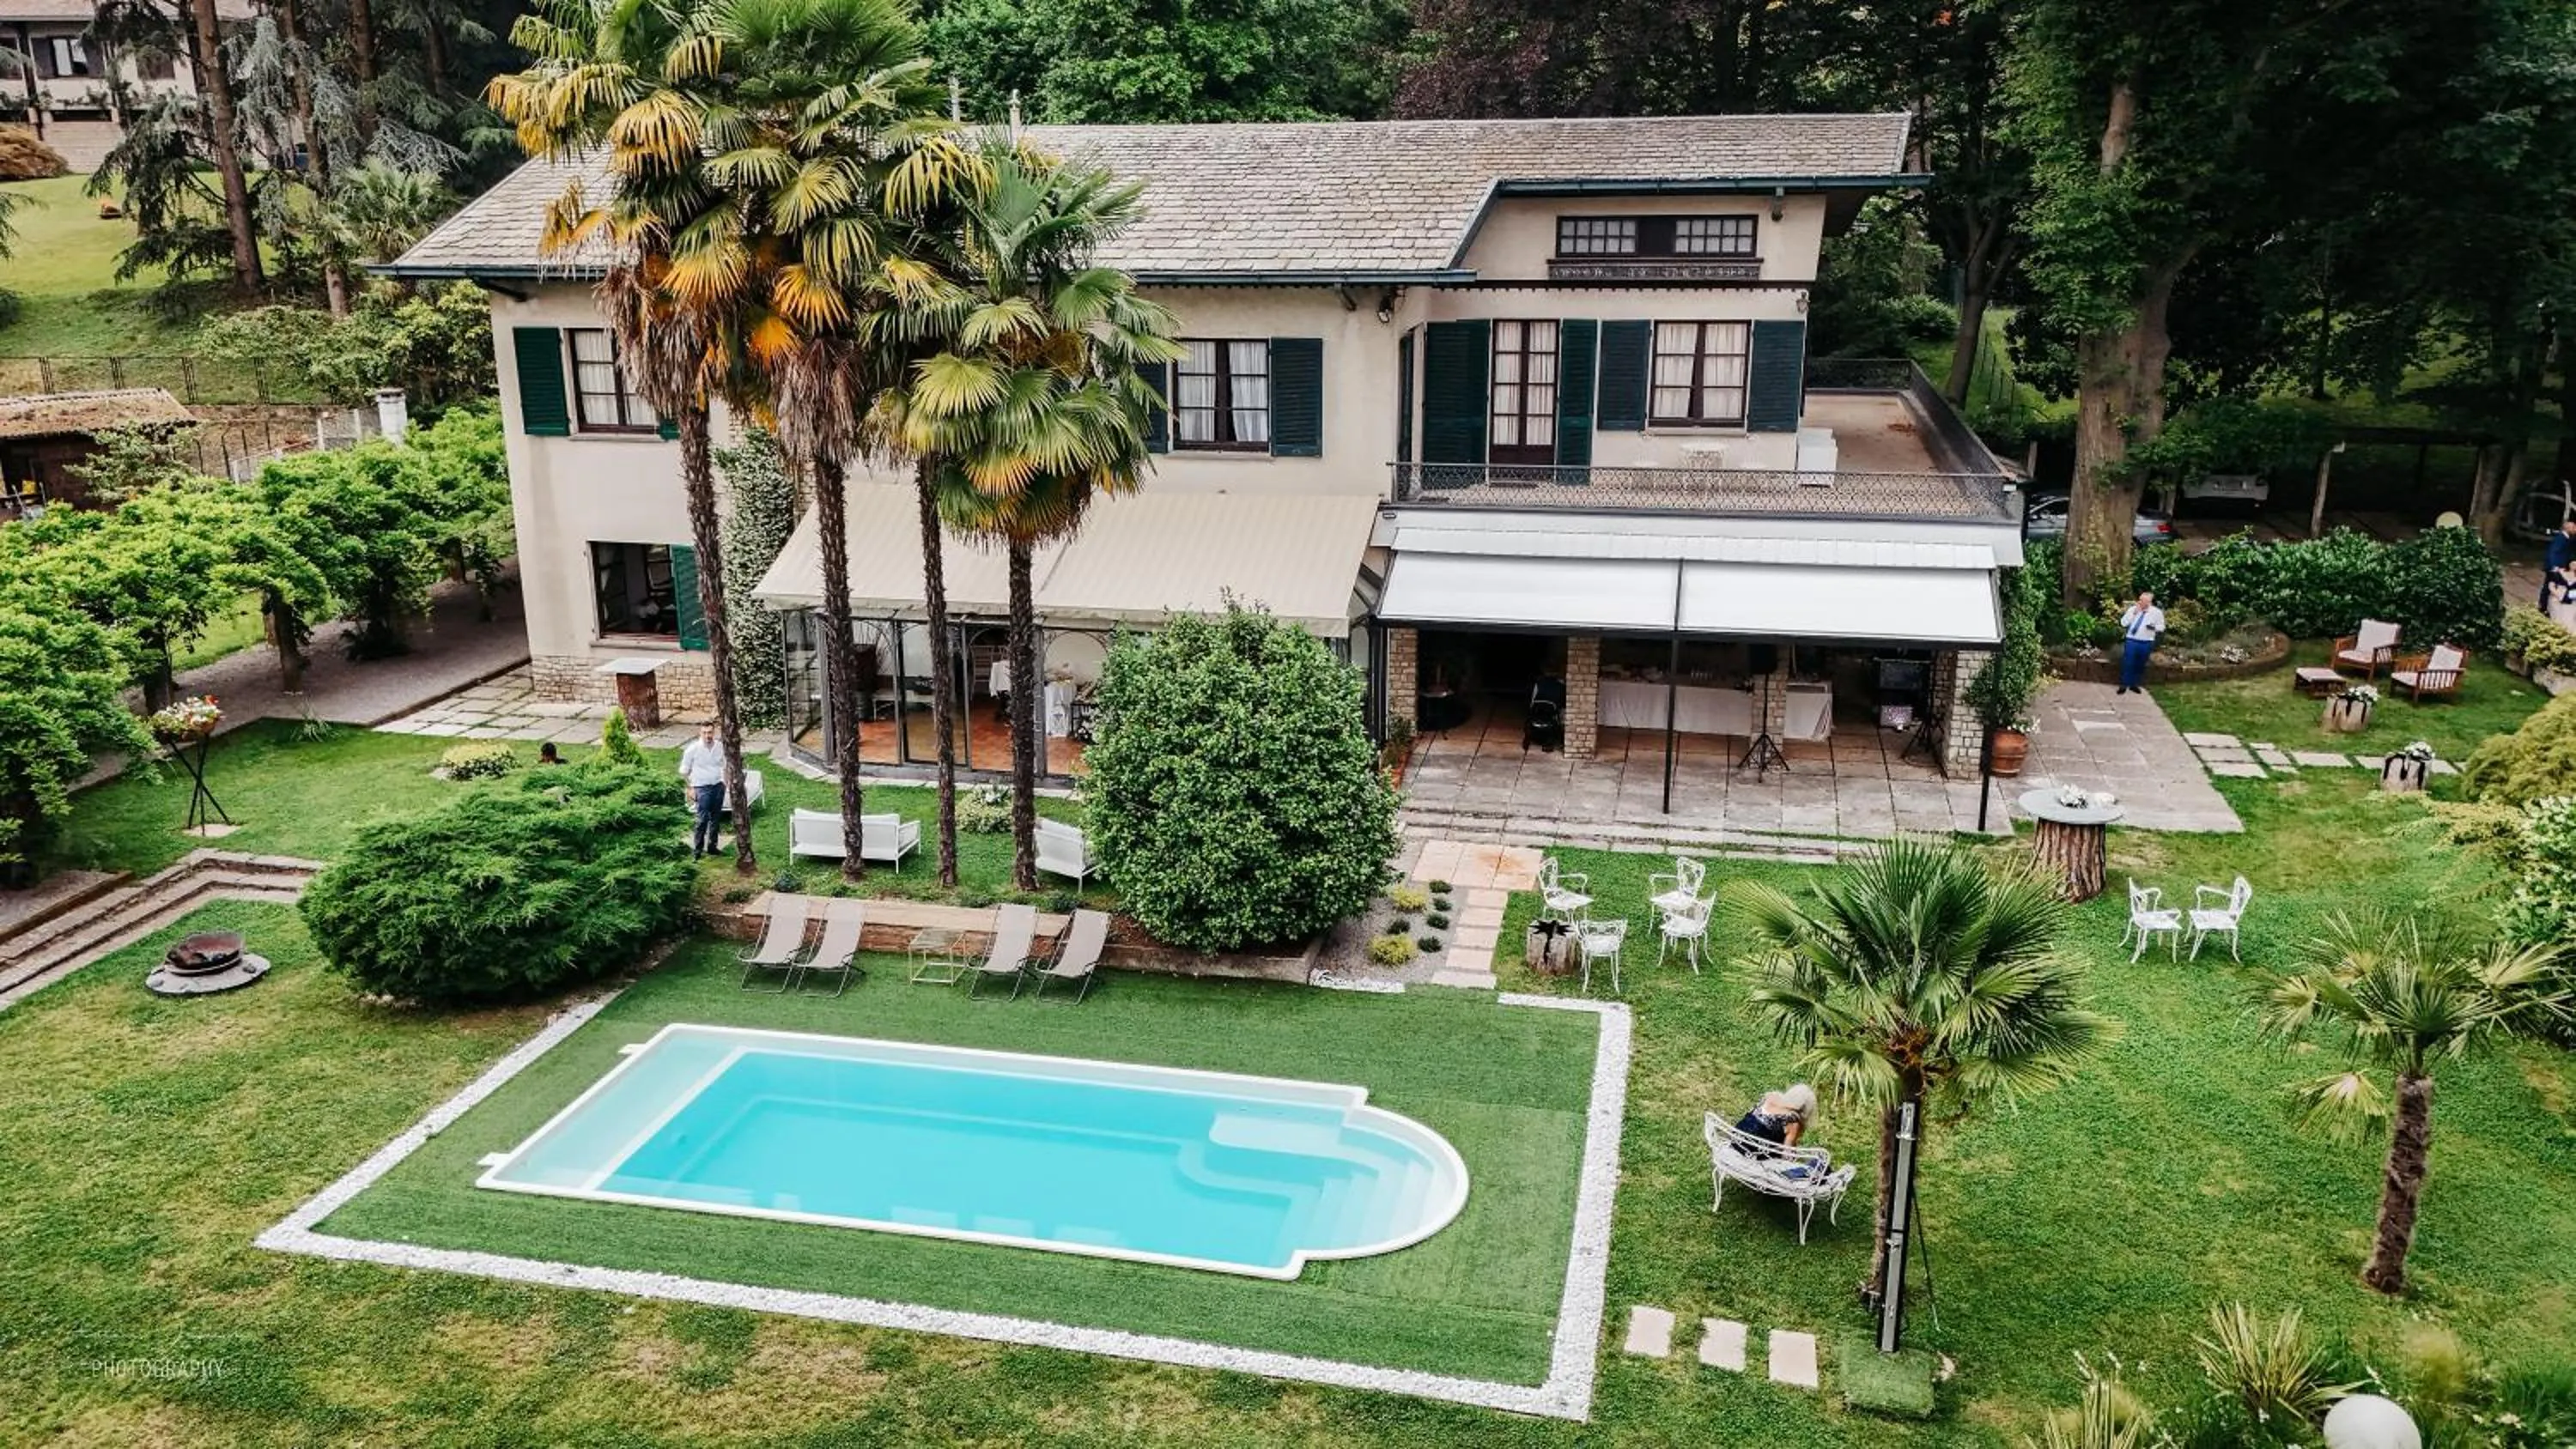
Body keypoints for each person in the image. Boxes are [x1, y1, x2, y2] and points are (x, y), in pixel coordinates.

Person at [678, 722, 726, 858]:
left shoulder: (720, 747)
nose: (707, 736)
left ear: (714, 732)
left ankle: (713, 847)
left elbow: (725, 764)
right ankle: (697, 850)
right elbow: (684, 771)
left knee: (716, 819)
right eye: (704, 733)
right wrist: (690, 788)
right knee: (702, 820)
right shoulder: (693, 749)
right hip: (701, 787)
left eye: (710, 732)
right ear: (700, 733)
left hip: (718, 786)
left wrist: (725, 782)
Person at [1735, 1083, 1819, 1151]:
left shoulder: (1770, 1097)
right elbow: (1787, 1153)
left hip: (1736, 1138)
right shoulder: (1793, 1121)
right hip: (1752, 1151)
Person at [2117, 591, 2166, 695]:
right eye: (2139, 600)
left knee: (2140, 663)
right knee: (2128, 662)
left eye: (2142, 601)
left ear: (2149, 602)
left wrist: (2153, 628)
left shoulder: (2157, 613)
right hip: (2132, 640)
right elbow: (2123, 623)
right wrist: (2134, 613)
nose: (2139, 602)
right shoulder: (2133, 610)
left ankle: (2134, 684)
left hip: (2146, 641)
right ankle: (2124, 684)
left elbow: (2162, 627)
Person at [2545, 517, 2576, 609]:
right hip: (2555, 567)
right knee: (2549, 586)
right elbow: (2553, 552)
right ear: (2568, 528)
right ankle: (2544, 606)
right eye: (2574, 528)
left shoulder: (2568, 538)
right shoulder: (2561, 538)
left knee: (2552, 585)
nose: (2575, 530)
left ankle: (2545, 605)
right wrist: (2554, 566)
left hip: (2559, 566)